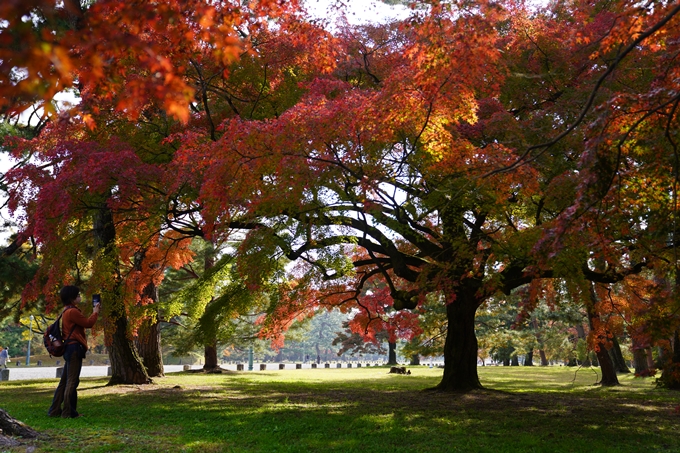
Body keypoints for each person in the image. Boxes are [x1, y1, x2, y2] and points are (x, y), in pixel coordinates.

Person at [48, 286, 100, 418]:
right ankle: (68, 412)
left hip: (69, 348)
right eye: (77, 295)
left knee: (64, 381)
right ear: (72, 298)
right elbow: (88, 323)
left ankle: (54, 410)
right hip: (74, 348)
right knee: (72, 381)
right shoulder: (72, 312)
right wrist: (96, 311)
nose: (79, 296)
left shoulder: (66, 311)